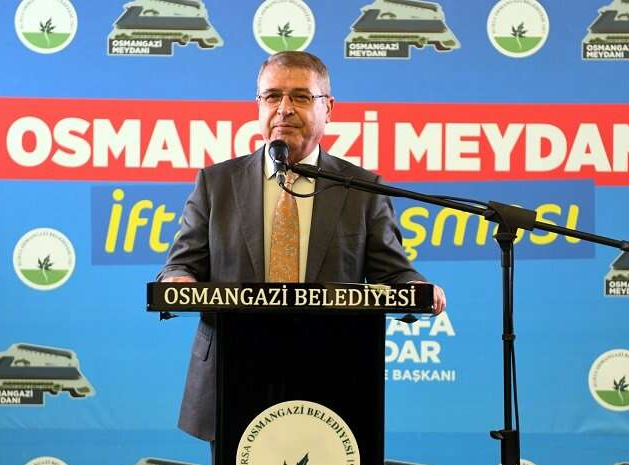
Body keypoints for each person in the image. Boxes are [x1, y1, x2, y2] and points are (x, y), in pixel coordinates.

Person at [157, 51, 446, 443]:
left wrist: (416, 288)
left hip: (332, 378)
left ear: (329, 108)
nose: (284, 109)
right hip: (233, 377)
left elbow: (394, 272)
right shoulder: (216, 183)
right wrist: (178, 280)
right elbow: (182, 264)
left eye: (301, 97)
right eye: (272, 96)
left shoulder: (362, 189)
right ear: (258, 104)